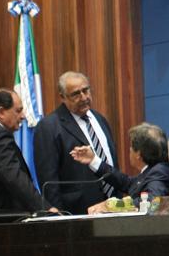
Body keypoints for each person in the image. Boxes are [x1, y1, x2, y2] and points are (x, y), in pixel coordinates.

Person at [34, 71, 120, 214]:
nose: (84, 97)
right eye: (76, 94)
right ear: (62, 97)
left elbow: (112, 161)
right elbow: (49, 180)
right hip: (77, 211)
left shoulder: (99, 119)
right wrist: (59, 216)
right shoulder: (49, 127)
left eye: (86, 90)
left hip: (113, 206)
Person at [0, 89, 56, 213]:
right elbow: (15, 178)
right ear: (1, 112)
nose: (23, 116)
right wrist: (45, 208)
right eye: (18, 110)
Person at [71, 122, 169, 211]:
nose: (129, 150)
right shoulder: (153, 171)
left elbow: (152, 201)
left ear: (138, 154)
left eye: (131, 147)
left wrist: (112, 205)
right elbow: (126, 182)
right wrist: (93, 160)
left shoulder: (160, 172)